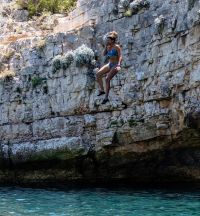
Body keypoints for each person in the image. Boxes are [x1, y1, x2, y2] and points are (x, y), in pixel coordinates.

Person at [96, 31, 122, 104]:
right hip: (110, 63)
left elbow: (120, 56)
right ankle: (102, 90)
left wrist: (119, 65)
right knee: (98, 74)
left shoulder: (117, 47)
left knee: (107, 78)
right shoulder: (108, 46)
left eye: (109, 40)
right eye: (108, 39)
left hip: (115, 64)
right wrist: (105, 47)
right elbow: (104, 54)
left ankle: (106, 97)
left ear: (113, 40)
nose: (108, 41)